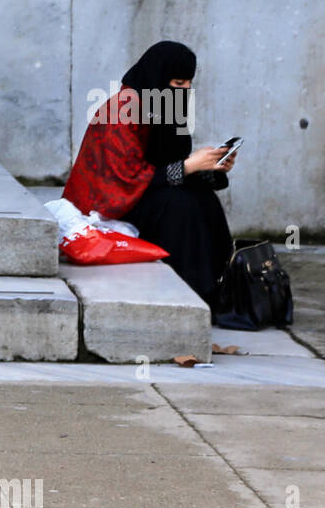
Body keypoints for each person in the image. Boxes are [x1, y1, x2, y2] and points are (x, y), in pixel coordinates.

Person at [63, 40, 236, 310]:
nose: (186, 90)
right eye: (178, 84)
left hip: (143, 194)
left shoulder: (165, 107)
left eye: (189, 83)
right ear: (158, 78)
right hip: (108, 205)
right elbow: (124, 181)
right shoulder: (121, 111)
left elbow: (170, 166)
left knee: (202, 199)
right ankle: (192, 296)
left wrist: (210, 166)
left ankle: (219, 291)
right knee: (180, 206)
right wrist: (189, 166)